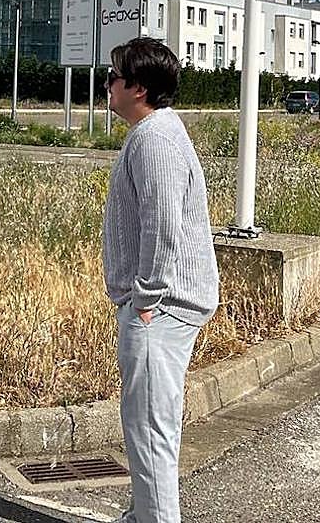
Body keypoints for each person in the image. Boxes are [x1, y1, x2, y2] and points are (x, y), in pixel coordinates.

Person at [102, 36, 219, 523]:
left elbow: (163, 224)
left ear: (138, 88)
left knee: (150, 429)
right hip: (163, 303)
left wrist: (145, 298)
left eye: (114, 76)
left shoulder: (154, 139)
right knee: (150, 423)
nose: (106, 84)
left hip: (160, 307)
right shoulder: (156, 132)